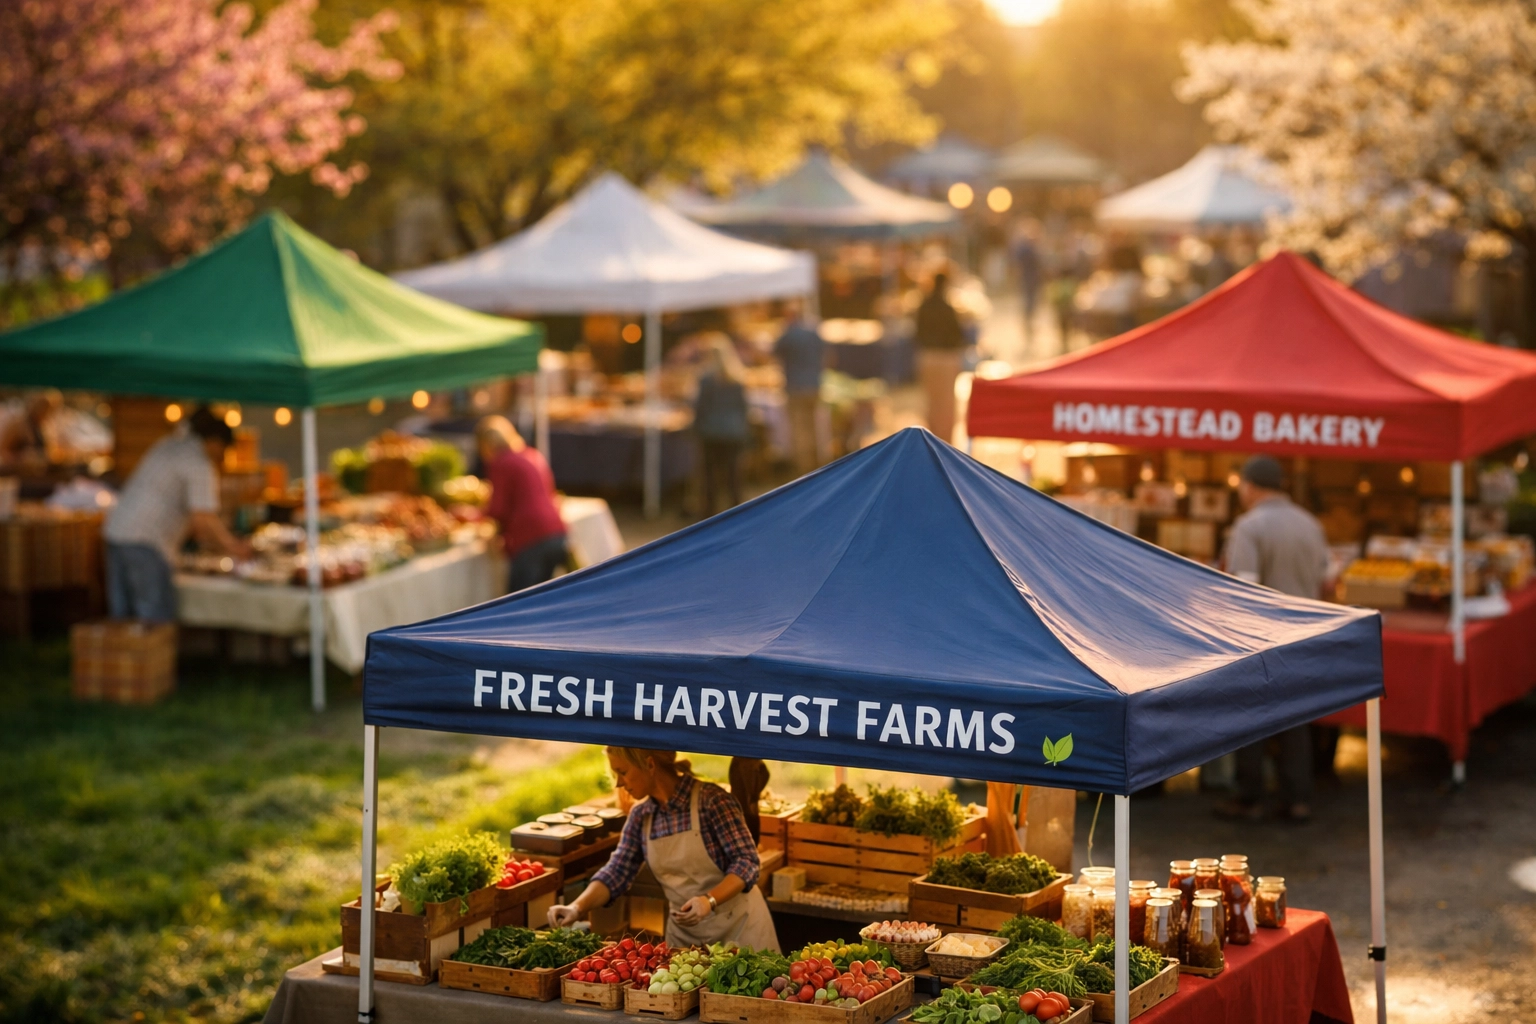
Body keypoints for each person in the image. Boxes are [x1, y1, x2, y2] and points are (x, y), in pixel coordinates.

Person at [548, 748, 780, 951]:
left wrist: (708, 901)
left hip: (740, 933)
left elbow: (747, 862)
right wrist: (576, 908)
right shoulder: (642, 816)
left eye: (623, 771)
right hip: (685, 942)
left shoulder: (712, 801)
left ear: (649, 764)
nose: (618, 782)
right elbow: (616, 872)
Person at [1215, 454, 1329, 823]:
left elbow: (1243, 588)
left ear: (1249, 486)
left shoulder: (1249, 527)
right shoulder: (1310, 524)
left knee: (1250, 718)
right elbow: (1326, 579)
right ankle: (1298, 799)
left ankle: (1250, 798)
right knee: (1296, 719)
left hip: (1261, 638)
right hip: (1305, 636)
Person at [103, 405, 249, 622]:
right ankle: (150, 655)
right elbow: (204, 519)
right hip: (145, 542)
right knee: (154, 619)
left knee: (123, 617)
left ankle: (121, 654)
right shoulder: (198, 463)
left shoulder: (170, 444)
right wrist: (234, 547)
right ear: (217, 443)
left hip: (116, 531)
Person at [477, 415, 567, 592]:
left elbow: (498, 509)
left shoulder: (501, 462)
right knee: (542, 596)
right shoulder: (532, 454)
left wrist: (474, 515)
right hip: (556, 533)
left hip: (530, 540)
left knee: (519, 601)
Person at [693, 336, 750, 516]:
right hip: (733, 431)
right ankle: (736, 507)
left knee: (710, 474)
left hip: (712, 431)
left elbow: (700, 407)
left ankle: (709, 511)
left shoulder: (707, 379)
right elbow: (743, 406)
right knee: (733, 473)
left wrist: (695, 427)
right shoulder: (737, 378)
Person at [773, 301, 826, 477]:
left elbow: (774, 354)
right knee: (814, 425)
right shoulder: (812, 332)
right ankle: (818, 462)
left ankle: (804, 469)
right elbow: (827, 355)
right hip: (814, 385)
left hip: (796, 387)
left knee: (799, 429)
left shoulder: (788, 334)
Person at [914, 271, 967, 445]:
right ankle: (944, 444)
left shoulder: (925, 305)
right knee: (946, 406)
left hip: (928, 356)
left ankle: (931, 441)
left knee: (932, 403)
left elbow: (917, 332)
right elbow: (957, 335)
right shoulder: (947, 307)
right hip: (945, 357)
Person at [0, 390, 63, 469]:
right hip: (21, 474)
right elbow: (3, 451)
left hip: (41, 473)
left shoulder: (46, 426)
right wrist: (22, 458)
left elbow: (51, 451)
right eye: (44, 407)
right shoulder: (18, 425)